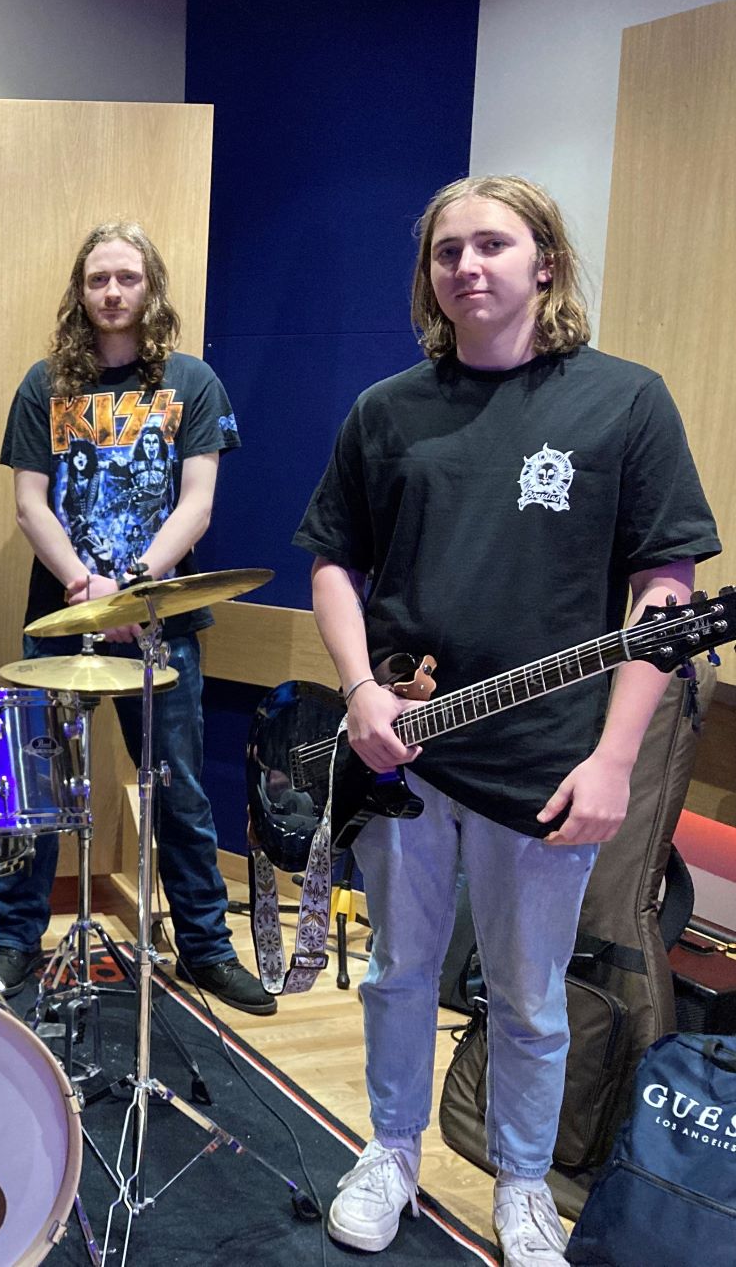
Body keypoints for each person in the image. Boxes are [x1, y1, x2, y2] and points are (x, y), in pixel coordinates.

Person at [295, 175, 719, 1264]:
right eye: (447, 252)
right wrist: (359, 692)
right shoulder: (387, 411)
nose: (467, 267)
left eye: (492, 244)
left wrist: (618, 758)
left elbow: (662, 595)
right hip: (405, 755)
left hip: (546, 758)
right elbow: (335, 563)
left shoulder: (624, 402)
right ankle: (388, 1148)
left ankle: (524, 1182)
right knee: (394, 970)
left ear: (546, 262)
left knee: (529, 998)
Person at [0, 219, 273, 1015]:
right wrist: (87, 586)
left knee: (179, 789)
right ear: (78, 293)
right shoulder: (45, 385)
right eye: (97, 280)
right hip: (61, 618)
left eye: (127, 278)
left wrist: (136, 589)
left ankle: (208, 950)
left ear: (151, 287)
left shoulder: (192, 381)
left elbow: (199, 503)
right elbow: (28, 504)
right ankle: (16, 941)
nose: (112, 293)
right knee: (40, 788)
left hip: (162, 625)